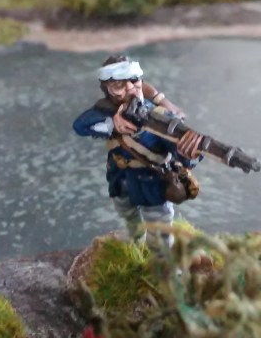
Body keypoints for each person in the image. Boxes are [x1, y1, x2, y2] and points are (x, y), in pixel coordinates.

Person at [73, 54, 203, 249]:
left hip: (151, 180)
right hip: (119, 176)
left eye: (134, 81)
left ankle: (162, 260)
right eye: (118, 85)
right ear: (108, 90)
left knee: (159, 228)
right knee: (126, 211)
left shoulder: (159, 117)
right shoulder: (107, 111)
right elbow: (80, 125)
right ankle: (135, 237)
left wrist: (187, 153)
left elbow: (182, 156)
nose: (129, 89)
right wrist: (112, 124)